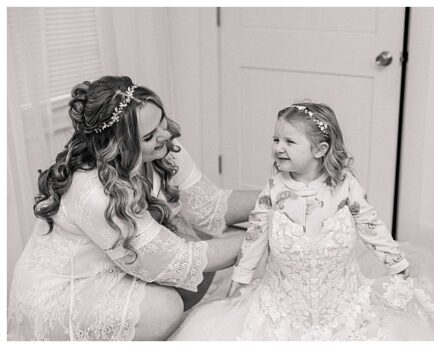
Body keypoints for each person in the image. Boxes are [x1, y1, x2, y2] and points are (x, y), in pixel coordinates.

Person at [171, 102, 434, 340]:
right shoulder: (274, 189)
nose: (278, 148)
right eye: (276, 139)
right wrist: (241, 278)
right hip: (283, 303)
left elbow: (371, 226)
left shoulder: (345, 187)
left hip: (342, 302)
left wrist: (396, 262)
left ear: (320, 150)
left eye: (289, 141)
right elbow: (255, 236)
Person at [8, 75, 257, 340]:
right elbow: (176, 260)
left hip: (123, 262)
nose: (165, 135)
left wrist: (277, 197)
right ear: (118, 146)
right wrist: (263, 233)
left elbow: (211, 207)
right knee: (164, 307)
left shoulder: (161, 148)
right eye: (149, 135)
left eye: (161, 121)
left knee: (205, 244)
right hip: (68, 287)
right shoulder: (94, 190)